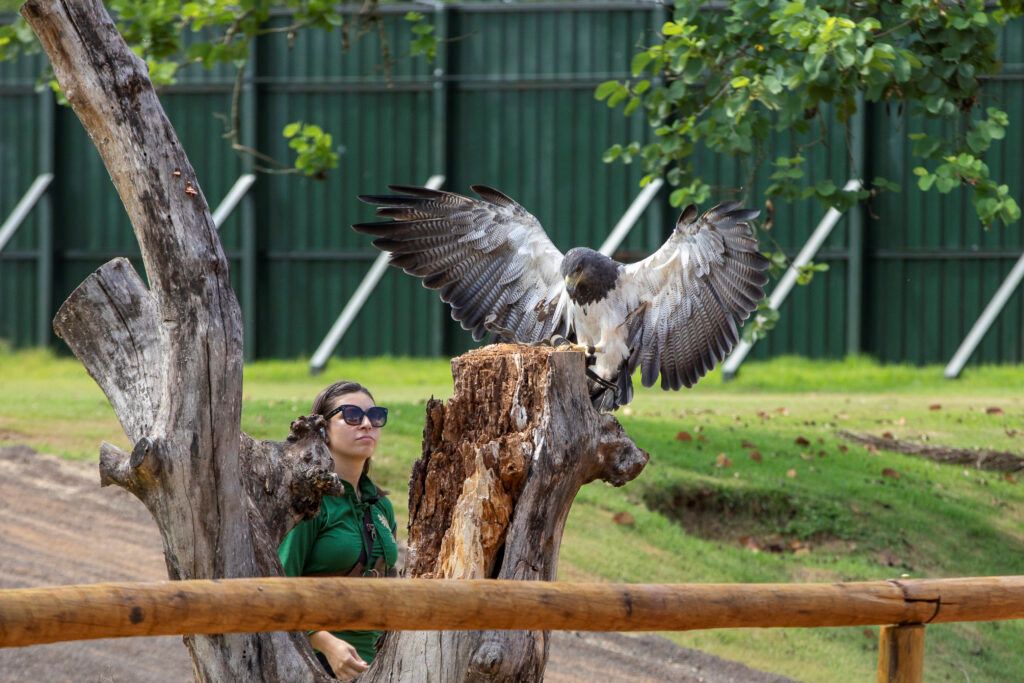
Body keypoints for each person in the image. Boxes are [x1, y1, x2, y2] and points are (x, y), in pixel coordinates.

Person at [278, 380, 399, 679]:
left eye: (376, 415)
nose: (367, 424)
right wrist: (327, 643)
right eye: (352, 415)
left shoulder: (380, 506)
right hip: (314, 663)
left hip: (381, 667)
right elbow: (277, 586)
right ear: (323, 430)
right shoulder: (309, 500)